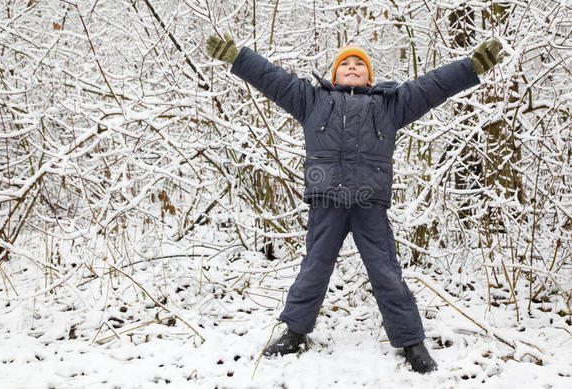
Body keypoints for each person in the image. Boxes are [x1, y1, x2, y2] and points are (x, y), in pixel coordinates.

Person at [206, 33, 503, 373]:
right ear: (333, 75)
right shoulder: (312, 100)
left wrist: (472, 66)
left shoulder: (390, 104)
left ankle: (411, 341)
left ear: (369, 76)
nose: (351, 67)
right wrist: (237, 56)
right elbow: (272, 78)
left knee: (386, 272)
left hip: (368, 201)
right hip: (326, 199)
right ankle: (295, 331)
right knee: (314, 267)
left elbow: (432, 86)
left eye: (359, 64)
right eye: (344, 64)